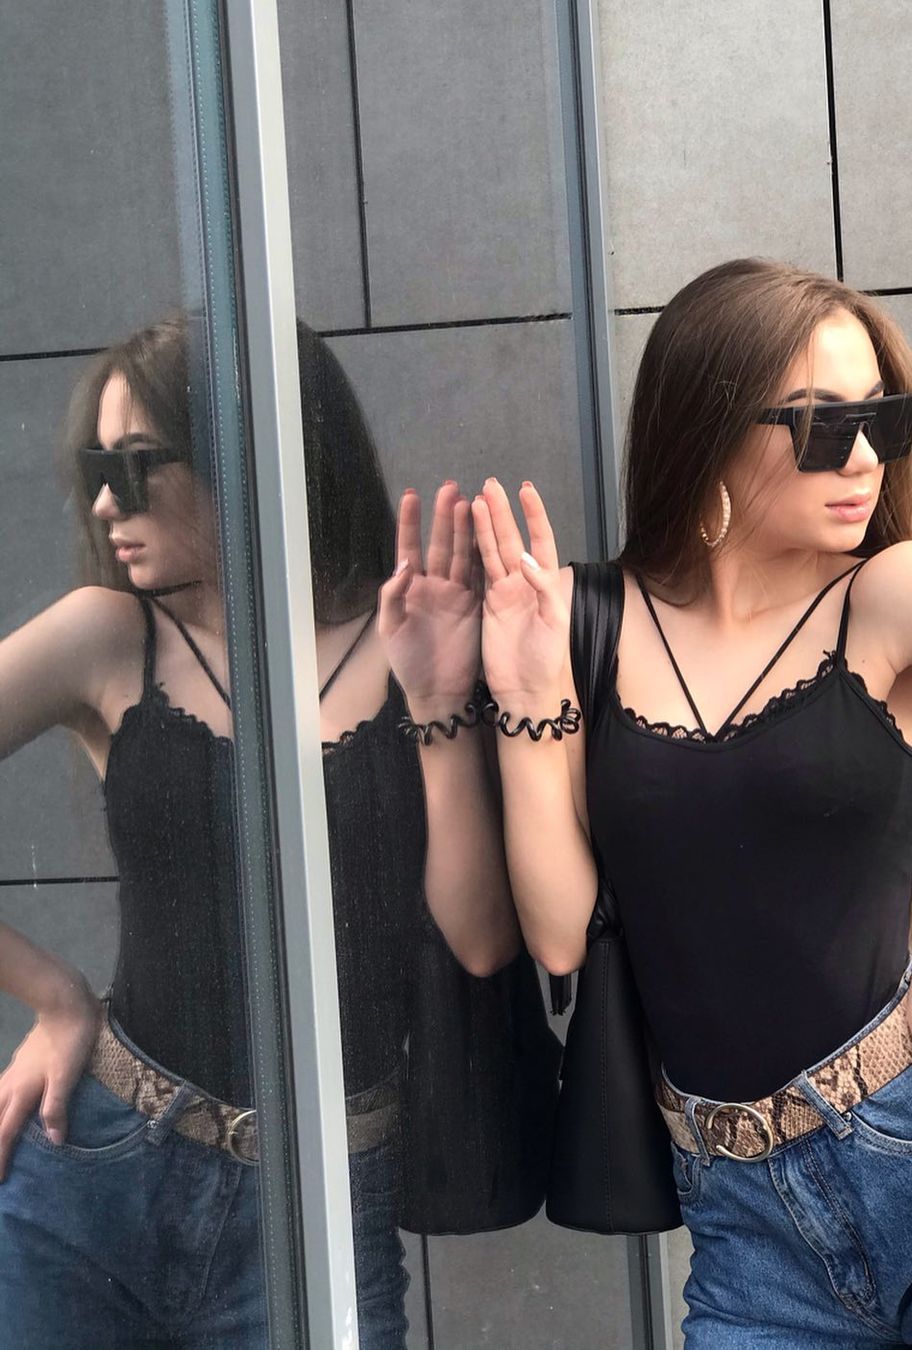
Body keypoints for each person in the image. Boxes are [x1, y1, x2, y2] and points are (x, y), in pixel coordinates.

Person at [473, 257, 912, 1347]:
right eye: (819, 426)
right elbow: (560, 937)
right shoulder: (593, 624)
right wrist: (525, 700)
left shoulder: (895, 596)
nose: (864, 458)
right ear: (708, 427)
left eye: (881, 419)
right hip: (744, 1224)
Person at [0, 312, 523, 1347]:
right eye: (99, 470)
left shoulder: (410, 639)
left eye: (139, 465)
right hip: (98, 1171)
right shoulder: (108, 636)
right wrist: (52, 995)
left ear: (253, 455)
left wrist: (439, 704)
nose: (106, 502)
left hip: (329, 1197)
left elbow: (479, 942)